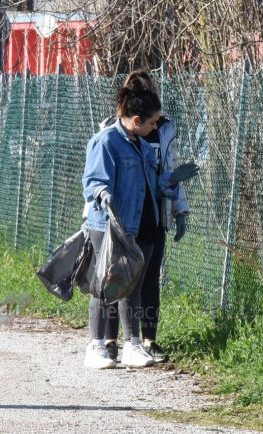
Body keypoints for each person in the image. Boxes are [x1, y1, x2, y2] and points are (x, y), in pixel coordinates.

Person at [81, 78, 197, 369]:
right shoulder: (106, 141)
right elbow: (93, 180)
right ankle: (96, 347)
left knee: (132, 286)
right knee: (105, 283)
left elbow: (154, 183)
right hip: (108, 225)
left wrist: (172, 181)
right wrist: (103, 194)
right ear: (136, 119)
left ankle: (133, 345)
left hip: (138, 224)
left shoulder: (141, 145)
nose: (156, 128)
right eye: (152, 122)